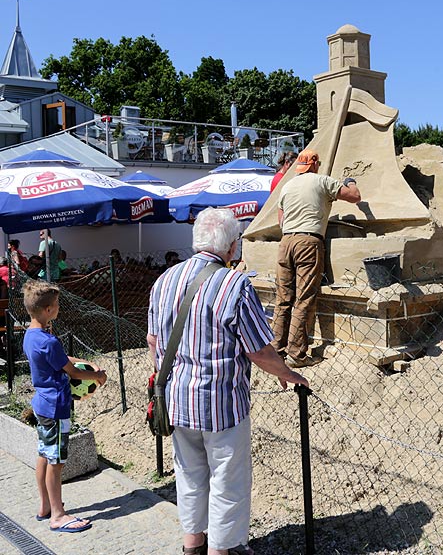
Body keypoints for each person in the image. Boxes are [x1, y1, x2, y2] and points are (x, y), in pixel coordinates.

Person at [147, 207, 309, 555]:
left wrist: (166, 374)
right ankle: (223, 549)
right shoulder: (234, 284)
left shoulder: (165, 280)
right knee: (227, 480)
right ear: (232, 247)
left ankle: (193, 546)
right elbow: (258, 351)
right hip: (221, 403)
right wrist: (288, 373)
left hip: (176, 399)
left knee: (189, 475)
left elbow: (152, 341)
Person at [22, 280, 107, 532]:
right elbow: (71, 372)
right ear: (48, 310)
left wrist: (79, 361)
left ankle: (45, 506)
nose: (58, 308)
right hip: (56, 407)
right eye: (56, 304)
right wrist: (97, 375)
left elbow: (59, 361)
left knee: (44, 455)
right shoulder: (50, 341)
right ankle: (58, 516)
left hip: (41, 404)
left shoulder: (32, 335)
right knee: (56, 462)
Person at [273, 148, 361, 368]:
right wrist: (350, 182)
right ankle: (297, 354)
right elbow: (355, 197)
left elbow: (281, 221)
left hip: (285, 243)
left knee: (283, 299)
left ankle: (276, 350)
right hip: (308, 242)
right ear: (314, 164)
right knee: (304, 298)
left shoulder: (287, 185)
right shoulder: (322, 181)